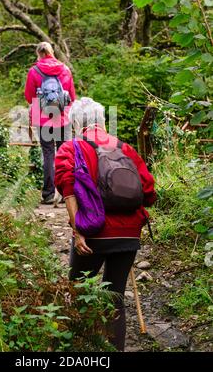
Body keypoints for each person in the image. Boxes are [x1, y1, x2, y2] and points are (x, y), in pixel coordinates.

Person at [54, 97, 156, 351]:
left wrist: (78, 233)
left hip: (93, 233)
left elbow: (68, 192)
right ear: (101, 121)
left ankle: (74, 349)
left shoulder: (71, 148)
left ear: (76, 123)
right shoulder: (125, 148)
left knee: (77, 291)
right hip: (129, 235)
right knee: (115, 297)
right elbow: (149, 191)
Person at [25, 42, 76, 204]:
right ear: (52, 52)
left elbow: (29, 96)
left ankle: (47, 194)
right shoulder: (65, 69)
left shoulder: (34, 71)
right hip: (62, 117)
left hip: (43, 118)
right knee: (64, 155)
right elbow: (72, 96)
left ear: (38, 54)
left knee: (48, 154)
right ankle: (65, 194)